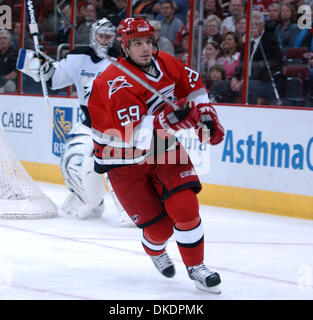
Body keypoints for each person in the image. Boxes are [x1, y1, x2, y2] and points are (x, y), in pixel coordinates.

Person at [88, 17, 224, 293]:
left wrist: (206, 115)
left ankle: (196, 267)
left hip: (162, 149)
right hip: (122, 160)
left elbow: (194, 86)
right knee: (161, 230)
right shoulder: (112, 82)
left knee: (186, 208)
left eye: (148, 41)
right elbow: (133, 136)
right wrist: (169, 120)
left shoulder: (165, 62)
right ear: (124, 46)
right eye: (137, 43)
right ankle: (154, 248)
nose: (146, 48)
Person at [16, 19, 131, 224]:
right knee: (73, 162)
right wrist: (42, 67)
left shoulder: (122, 60)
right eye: (100, 35)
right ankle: (88, 202)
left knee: (115, 165)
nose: (104, 40)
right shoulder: (78, 56)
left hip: (117, 126)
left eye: (108, 36)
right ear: (92, 35)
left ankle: (130, 209)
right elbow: (55, 79)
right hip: (89, 123)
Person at [234, 11, 284, 105]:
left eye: (256, 24)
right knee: (222, 86)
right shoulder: (247, 43)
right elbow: (241, 63)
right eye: (251, 25)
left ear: (263, 25)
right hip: (248, 80)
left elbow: (270, 65)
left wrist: (246, 80)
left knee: (248, 86)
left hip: (265, 81)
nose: (253, 28)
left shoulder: (270, 42)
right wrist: (235, 77)